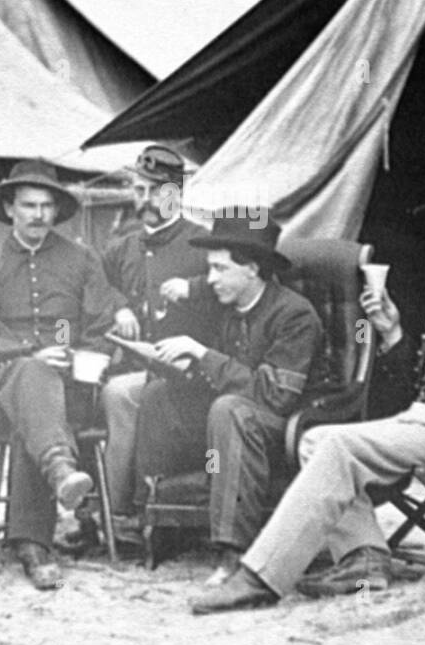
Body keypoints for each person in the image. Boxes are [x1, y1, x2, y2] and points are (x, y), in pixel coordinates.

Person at [191, 167, 425, 614]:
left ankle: (261, 577)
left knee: (335, 445)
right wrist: (392, 333)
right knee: (315, 439)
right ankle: (364, 558)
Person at [131, 213, 323, 586]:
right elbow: (198, 294)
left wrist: (203, 355)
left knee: (228, 409)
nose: (211, 279)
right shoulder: (229, 302)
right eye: (209, 269)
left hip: (285, 424)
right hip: (232, 417)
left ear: (252, 269)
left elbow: (276, 396)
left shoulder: (295, 314)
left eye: (220, 268)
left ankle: (233, 551)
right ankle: (154, 522)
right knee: (157, 395)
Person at [0, 160, 119, 590]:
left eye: (46, 206)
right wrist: (30, 353)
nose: (38, 215)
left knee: (41, 404)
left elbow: (102, 324)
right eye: (29, 205)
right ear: (10, 208)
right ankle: (60, 472)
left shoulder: (82, 260)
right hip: (3, 388)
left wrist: (85, 356)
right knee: (32, 377)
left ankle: (33, 542)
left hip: (73, 389)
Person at [99, 145, 212, 522]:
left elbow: (236, 290)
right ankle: (99, 513)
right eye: (139, 191)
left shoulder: (204, 243)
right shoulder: (121, 248)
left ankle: (123, 512)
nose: (146, 201)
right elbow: (96, 286)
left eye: (156, 192)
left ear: (177, 194)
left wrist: (194, 288)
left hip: (190, 372)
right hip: (133, 363)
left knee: (120, 395)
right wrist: (120, 305)